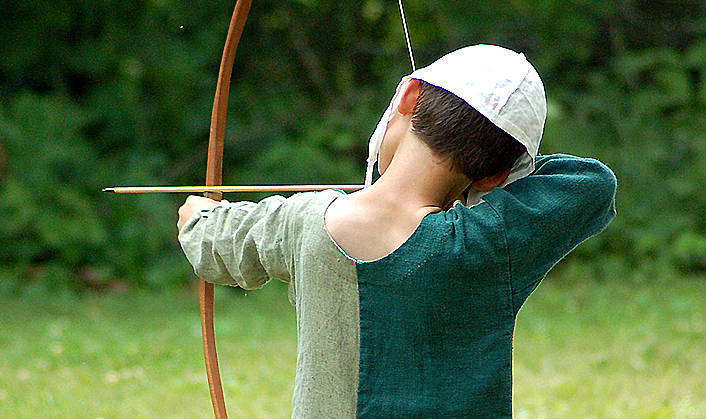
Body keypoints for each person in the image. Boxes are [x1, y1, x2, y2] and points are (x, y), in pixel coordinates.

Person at [177, 44, 617, 418]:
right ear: (497, 176)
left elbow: (217, 240)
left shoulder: (302, 221)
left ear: (407, 95)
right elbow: (593, 184)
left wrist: (198, 214)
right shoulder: (485, 240)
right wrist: (491, 172)